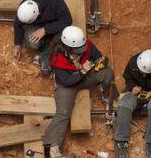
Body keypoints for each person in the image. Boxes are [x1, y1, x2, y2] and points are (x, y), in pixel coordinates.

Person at [43, 26, 115, 158]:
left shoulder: (86, 45)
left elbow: (97, 56)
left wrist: (100, 63)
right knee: (63, 113)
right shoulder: (58, 59)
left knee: (107, 73)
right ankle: (51, 147)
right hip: (67, 84)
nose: (81, 51)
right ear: (67, 47)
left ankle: (107, 97)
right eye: (77, 50)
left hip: (84, 76)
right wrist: (82, 71)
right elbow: (65, 81)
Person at [13, 0, 72, 75]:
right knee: (33, 43)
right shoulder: (25, 8)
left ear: (39, 14)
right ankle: (48, 46)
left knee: (66, 33)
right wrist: (17, 45)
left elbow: (67, 20)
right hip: (37, 26)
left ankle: (45, 55)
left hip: (54, 24)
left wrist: (45, 30)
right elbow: (17, 24)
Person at [113, 49, 151, 158]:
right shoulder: (134, 61)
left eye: (147, 73)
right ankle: (121, 141)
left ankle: (150, 142)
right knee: (124, 105)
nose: (143, 75)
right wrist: (132, 86)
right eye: (141, 72)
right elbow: (128, 77)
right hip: (136, 91)